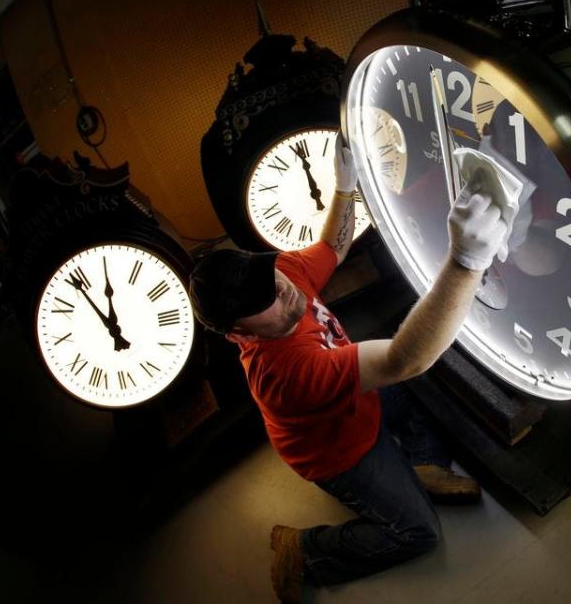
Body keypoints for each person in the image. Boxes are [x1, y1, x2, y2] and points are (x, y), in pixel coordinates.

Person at [189, 138, 514, 602]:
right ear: (237, 331)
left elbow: (331, 249)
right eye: (264, 300)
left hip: (361, 398)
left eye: (271, 278)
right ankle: (305, 548)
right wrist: (467, 262)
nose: (282, 289)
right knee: (418, 533)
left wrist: (345, 188)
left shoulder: (280, 277)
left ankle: (425, 464)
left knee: (426, 383)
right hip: (343, 452)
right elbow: (405, 357)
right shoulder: (284, 372)